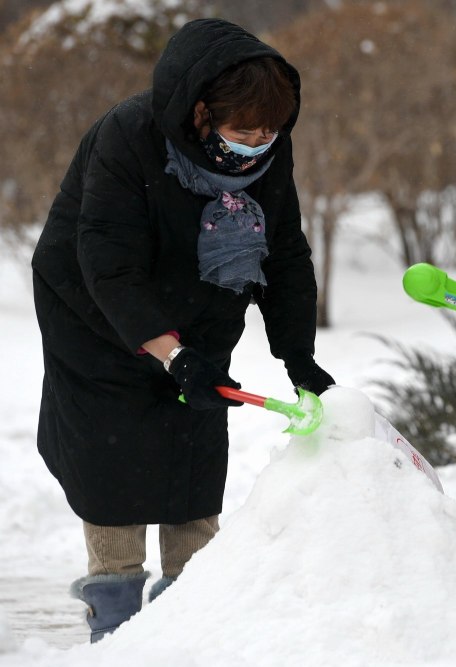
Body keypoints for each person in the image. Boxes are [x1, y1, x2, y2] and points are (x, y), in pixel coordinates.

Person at [31, 18, 335, 642]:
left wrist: (296, 354)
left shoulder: (267, 152)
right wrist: (170, 354)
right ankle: (115, 621)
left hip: (199, 311)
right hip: (96, 318)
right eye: (244, 130)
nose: (258, 143)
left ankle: (193, 621)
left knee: (193, 452)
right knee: (112, 466)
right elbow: (107, 265)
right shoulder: (129, 137)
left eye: (270, 131)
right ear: (199, 112)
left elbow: (283, 253)